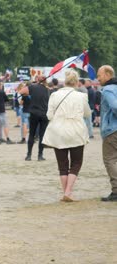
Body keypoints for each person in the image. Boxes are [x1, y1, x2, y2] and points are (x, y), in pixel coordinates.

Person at [43, 69, 91, 202]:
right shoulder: (81, 96)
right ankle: (69, 191)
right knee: (76, 162)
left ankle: (66, 192)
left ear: (65, 81)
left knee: (62, 164)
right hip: (76, 131)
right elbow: (87, 114)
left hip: (58, 131)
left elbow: (49, 115)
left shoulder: (54, 95)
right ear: (76, 82)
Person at [96, 65, 117, 202]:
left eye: (99, 75)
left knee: (109, 160)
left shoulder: (108, 89)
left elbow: (115, 106)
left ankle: (116, 191)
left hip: (112, 130)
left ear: (108, 74)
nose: (98, 79)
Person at [21, 76, 49, 161]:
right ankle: (40, 155)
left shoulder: (33, 87)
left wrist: (29, 91)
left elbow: (21, 91)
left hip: (34, 113)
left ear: (37, 80)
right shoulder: (47, 89)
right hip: (44, 113)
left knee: (32, 134)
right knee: (42, 135)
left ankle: (29, 155)